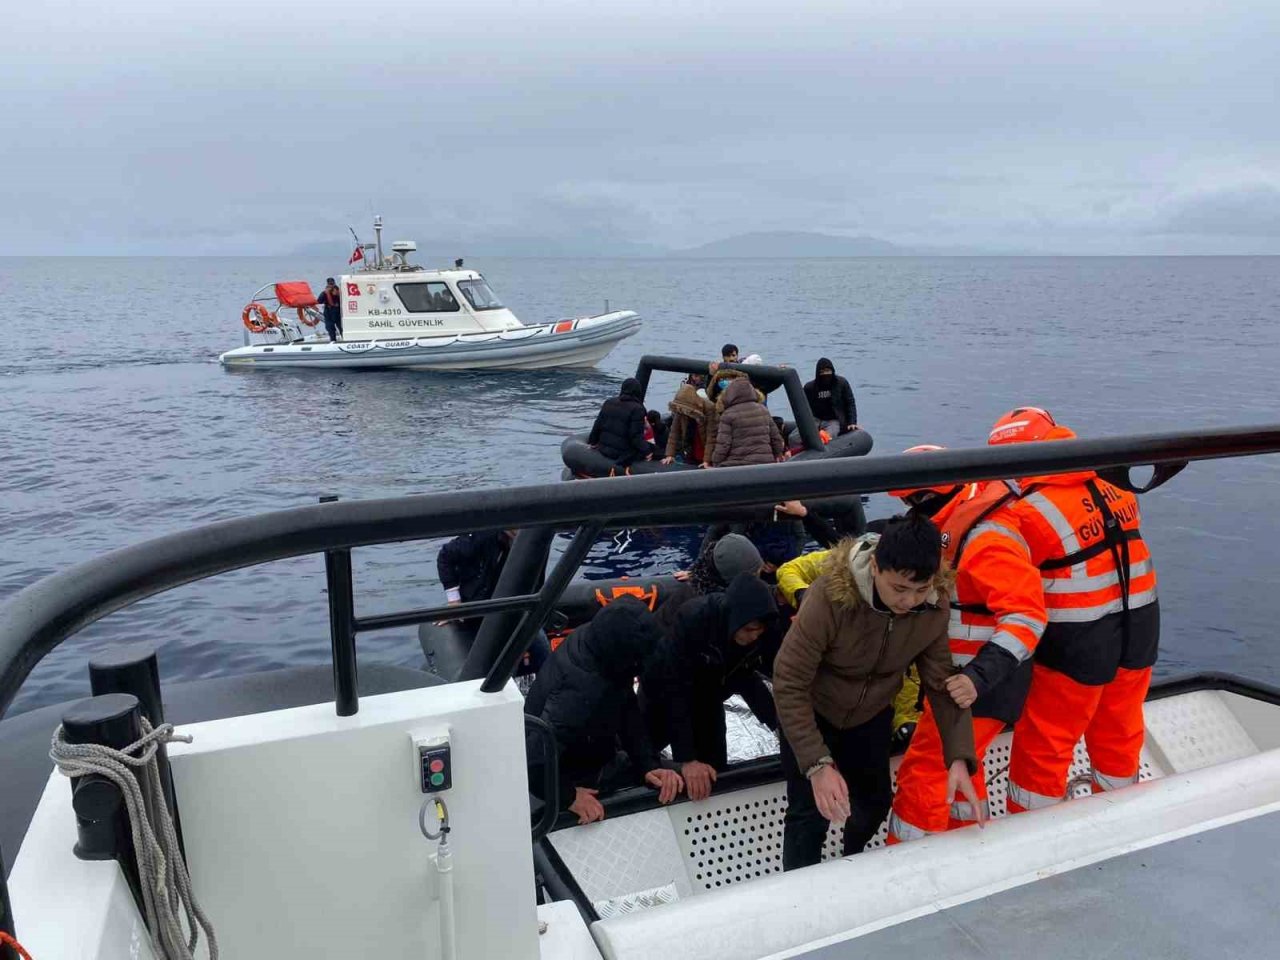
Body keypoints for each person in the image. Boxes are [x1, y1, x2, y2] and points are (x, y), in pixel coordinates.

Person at [772, 516, 979, 870]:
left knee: (874, 802)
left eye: (919, 589)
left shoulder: (933, 605)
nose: (909, 601)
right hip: (813, 709)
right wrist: (818, 766)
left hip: (871, 713)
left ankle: (852, 861)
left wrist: (959, 756)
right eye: (899, 588)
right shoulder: (829, 597)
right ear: (874, 566)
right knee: (808, 816)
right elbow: (789, 681)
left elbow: (941, 681)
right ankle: (801, 898)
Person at [987, 408, 1160, 814]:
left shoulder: (1027, 511)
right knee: (1120, 731)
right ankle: (1119, 815)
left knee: (1046, 743)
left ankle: (1033, 836)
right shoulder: (1115, 485)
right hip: (1141, 627)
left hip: (1077, 640)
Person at [884, 445, 1045, 843]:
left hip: (975, 685)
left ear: (929, 500)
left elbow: (1027, 617)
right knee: (961, 773)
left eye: (910, 503)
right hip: (964, 682)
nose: (908, 513)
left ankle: (904, 865)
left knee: (923, 773)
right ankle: (967, 845)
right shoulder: (963, 526)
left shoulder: (986, 541)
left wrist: (976, 677)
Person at [525, 598, 684, 824]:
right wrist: (568, 797)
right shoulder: (577, 693)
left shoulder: (596, 643)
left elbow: (626, 705)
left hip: (596, 747)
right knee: (678, 780)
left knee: (667, 775)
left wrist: (647, 763)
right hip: (571, 774)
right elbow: (533, 760)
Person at [640, 573, 779, 800]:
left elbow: (748, 678)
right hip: (662, 693)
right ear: (735, 619)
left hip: (709, 695)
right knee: (646, 758)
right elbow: (675, 690)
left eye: (759, 632)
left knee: (715, 766)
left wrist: (778, 722)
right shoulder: (694, 619)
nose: (754, 637)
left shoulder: (760, 634)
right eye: (749, 630)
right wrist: (687, 759)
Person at [436, 529, 550, 674]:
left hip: (517, 608)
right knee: (499, 663)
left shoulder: (536, 541)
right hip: (481, 608)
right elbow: (445, 555)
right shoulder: (481, 538)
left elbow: (538, 580)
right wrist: (454, 601)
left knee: (541, 652)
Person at [711, 379, 785, 467]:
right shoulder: (763, 410)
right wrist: (778, 454)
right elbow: (775, 438)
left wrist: (715, 463)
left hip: (737, 464)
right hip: (765, 462)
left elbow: (723, 444)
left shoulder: (727, 415)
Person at [588, 378, 653, 467]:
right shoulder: (638, 409)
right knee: (654, 450)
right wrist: (647, 451)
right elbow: (635, 436)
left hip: (603, 448)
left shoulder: (608, 402)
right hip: (621, 453)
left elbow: (597, 425)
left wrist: (593, 442)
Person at [661, 376, 713, 465]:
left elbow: (711, 436)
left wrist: (707, 460)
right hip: (690, 445)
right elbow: (674, 432)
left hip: (703, 443)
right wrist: (670, 454)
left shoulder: (709, 408)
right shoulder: (681, 409)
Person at [803, 358, 858, 436]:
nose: (826, 374)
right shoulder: (809, 387)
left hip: (834, 420)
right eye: (822, 372)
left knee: (827, 436)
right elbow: (803, 408)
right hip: (815, 419)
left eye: (828, 371)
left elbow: (850, 403)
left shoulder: (841, 384)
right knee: (794, 438)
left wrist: (852, 422)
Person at [319, 277, 342, 343]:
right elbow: (319, 301)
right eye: (330, 284)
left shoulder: (337, 290)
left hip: (337, 312)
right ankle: (333, 340)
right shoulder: (325, 292)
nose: (331, 285)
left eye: (332, 283)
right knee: (330, 328)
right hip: (329, 312)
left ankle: (345, 339)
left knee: (341, 327)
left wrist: (337, 293)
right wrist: (325, 293)